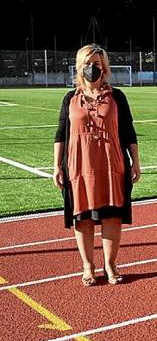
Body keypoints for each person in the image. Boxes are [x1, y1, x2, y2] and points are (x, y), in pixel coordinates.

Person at [53, 44, 141, 286]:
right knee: (82, 217)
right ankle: (88, 265)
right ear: (79, 67)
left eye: (97, 64)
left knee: (111, 216)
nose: (93, 69)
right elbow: (61, 134)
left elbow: (129, 131)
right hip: (78, 166)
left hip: (112, 164)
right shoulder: (70, 98)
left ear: (105, 68)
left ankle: (110, 264)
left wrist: (136, 162)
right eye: (88, 64)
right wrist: (56, 167)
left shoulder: (118, 97)